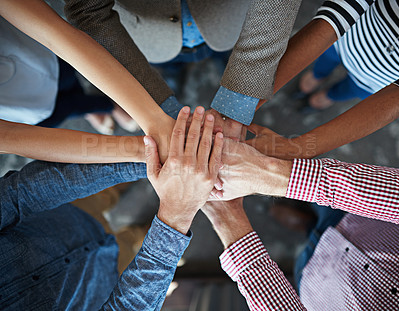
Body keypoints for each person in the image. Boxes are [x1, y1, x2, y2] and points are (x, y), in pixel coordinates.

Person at [0, 106, 224, 310]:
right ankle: (147, 230)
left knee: (108, 190)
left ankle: (146, 215)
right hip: (108, 280)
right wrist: (174, 219)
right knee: (136, 246)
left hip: (66, 212)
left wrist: (149, 158)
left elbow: (18, 194)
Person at [203, 138, 399, 310]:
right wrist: (273, 172)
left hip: (317, 283)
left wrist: (228, 219)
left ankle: (306, 225)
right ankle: (304, 208)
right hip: (365, 220)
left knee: (310, 233)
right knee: (324, 201)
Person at [63, 0, 302, 140]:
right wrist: (160, 105)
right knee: (167, 66)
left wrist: (236, 99)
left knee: (225, 56)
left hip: (228, 25)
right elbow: (87, 10)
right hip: (149, 39)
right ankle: (172, 78)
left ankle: (223, 67)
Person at [0, 0, 178, 161]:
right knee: (63, 110)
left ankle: (104, 104)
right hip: (26, 115)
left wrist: (155, 123)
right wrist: (147, 149)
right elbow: (10, 137)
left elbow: (53, 33)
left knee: (69, 74)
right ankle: (100, 107)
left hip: (38, 52)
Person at [251, 0, 399, 160]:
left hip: (376, 82)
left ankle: (325, 94)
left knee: (345, 91)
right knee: (322, 66)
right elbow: (343, 9)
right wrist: (247, 101)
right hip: (343, 38)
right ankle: (317, 80)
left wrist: (301, 148)